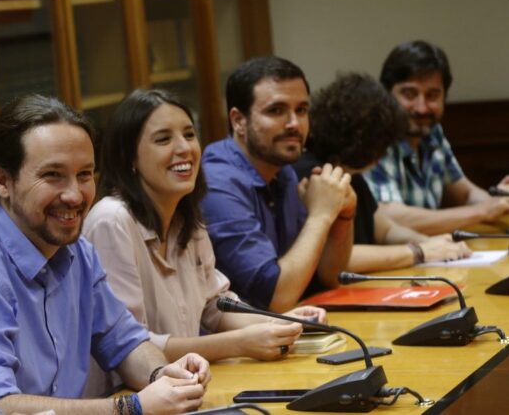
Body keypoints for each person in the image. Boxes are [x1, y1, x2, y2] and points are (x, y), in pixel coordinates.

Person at [0, 94, 211, 414]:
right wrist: (129, 408)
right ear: (2, 180)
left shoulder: (77, 251)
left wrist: (163, 375)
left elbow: (125, 342)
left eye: (85, 174)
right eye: (53, 176)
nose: (75, 195)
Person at [84, 89, 328, 365]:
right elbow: (130, 346)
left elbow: (216, 307)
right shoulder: (111, 220)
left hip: (182, 386)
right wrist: (238, 344)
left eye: (189, 134)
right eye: (164, 139)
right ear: (130, 158)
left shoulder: (186, 216)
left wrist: (280, 323)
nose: (184, 148)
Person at [200, 57, 355, 312]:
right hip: (227, 344)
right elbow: (276, 298)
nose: (294, 124)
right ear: (238, 121)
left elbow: (332, 276)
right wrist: (322, 214)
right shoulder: (217, 184)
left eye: (302, 110)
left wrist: (344, 214)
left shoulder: (283, 172)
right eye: (276, 110)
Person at [295, 73, 471, 272]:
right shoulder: (311, 173)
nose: (382, 155)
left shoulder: (352, 173)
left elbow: (386, 230)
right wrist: (419, 251)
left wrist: (433, 243)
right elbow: (337, 262)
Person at [364, 40, 509, 234]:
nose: (422, 107)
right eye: (409, 94)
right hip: (386, 258)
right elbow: (389, 217)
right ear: (387, 95)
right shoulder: (374, 137)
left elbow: (466, 193)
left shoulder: (432, 133)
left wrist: (500, 201)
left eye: (432, 95)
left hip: (429, 253)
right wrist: (482, 211)